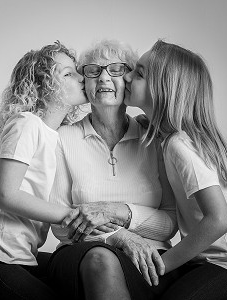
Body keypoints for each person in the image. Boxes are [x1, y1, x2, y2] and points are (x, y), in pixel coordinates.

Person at [48, 39, 178, 300]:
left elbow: (170, 222)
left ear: (129, 81)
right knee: (101, 259)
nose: (104, 77)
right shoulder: (62, 137)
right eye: (94, 70)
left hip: (151, 256)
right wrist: (118, 236)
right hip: (83, 255)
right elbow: (60, 226)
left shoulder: (156, 139)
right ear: (85, 81)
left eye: (116, 70)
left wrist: (122, 213)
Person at [124, 39, 227, 300]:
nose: (126, 76)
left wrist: (163, 265)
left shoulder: (179, 145)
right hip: (204, 263)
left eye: (139, 73)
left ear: (163, 90)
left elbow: (219, 220)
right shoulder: (176, 138)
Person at [0, 41, 88, 300]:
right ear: (42, 87)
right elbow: (6, 195)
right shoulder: (27, 124)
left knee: (77, 272)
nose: (81, 77)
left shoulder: (57, 136)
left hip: (21, 258)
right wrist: (72, 216)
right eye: (68, 74)